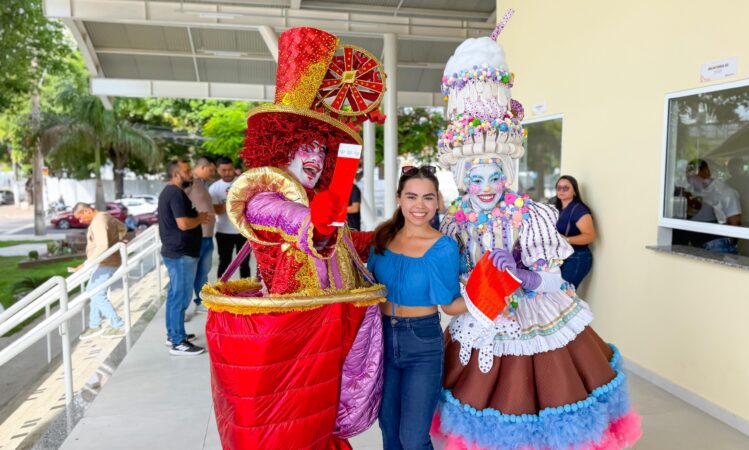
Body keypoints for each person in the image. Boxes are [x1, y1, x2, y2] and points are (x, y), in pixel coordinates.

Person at [432, 25, 640, 450]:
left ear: (506, 174)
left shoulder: (532, 215)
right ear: (462, 178)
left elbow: (556, 279)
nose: (486, 186)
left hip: (537, 316)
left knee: (546, 398)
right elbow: (451, 277)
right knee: (479, 409)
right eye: (476, 177)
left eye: (494, 176)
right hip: (479, 316)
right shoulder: (453, 222)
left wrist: (525, 278)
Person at [200, 27, 387, 449]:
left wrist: (393, 233)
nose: (316, 159)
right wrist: (324, 213)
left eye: (323, 151)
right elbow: (300, 225)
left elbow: (338, 248)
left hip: (324, 334)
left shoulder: (317, 201)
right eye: (307, 146)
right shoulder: (264, 197)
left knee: (318, 426)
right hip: (288, 343)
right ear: (281, 147)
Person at [368, 166, 465, 449]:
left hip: (422, 343)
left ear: (437, 201)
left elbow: (449, 305)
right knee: (389, 429)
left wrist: (486, 300)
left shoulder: (443, 247)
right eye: (412, 197)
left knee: (412, 439)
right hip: (382, 338)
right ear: (399, 198)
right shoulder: (383, 238)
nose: (419, 206)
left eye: (428, 197)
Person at [158, 159, 210, 355]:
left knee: (174, 296)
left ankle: (174, 334)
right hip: (181, 254)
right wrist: (201, 218)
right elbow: (183, 224)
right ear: (176, 175)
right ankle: (178, 342)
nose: (191, 174)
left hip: (178, 252)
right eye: (187, 171)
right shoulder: (175, 194)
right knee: (180, 298)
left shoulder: (170, 192)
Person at [73, 202, 127, 340]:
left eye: (80, 217)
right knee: (92, 290)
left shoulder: (98, 221)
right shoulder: (106, 216)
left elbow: (102, 245)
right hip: (106, 261)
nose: (80, 221)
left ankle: (118, 324)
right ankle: (94, 325)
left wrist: (85, 264)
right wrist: (117, 241)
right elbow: (123, 228)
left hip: (106, 262)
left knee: (96, 293)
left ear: (86, 211)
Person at [676, 159, 742, 254]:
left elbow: (735, 222)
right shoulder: (693, 192)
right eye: (688, 175)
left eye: (693, 176)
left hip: (718, 246)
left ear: (706, 172)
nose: (689, 180)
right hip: (695, 244)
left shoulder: (725, 192)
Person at [209, 157, 250, 279]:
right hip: (224, 232)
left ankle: (247, 291)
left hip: (243, 231)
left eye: (230, 169)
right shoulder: (214, 188)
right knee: (225, 262)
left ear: (233, 169)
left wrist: (228, 205)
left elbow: (250, 206)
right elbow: (216, 210)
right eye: (224, 170)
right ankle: (221, 291)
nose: (227, 173)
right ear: (218, 170)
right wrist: (235, 203)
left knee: (244, 264)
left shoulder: (244, 184)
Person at [186, 156, 216, 316]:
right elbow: (180, 203)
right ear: (202, 168)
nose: (212, 173)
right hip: (197, 235)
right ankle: (189, 305)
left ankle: (201, 301)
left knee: (203, 271)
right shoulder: (190, 181)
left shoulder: (202, 184)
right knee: (192, 272)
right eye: (210, 170)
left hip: (207, 235)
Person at [555, 175, 597, 289]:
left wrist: (566, 239)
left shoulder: (579, 210)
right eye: (558, 188)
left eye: (565, 188)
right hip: (564, 257)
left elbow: (590, 236)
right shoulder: (559, 209)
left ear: (574, 191)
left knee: (564, 297)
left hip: (577, 257)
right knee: (558, 296)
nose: (561, 191)